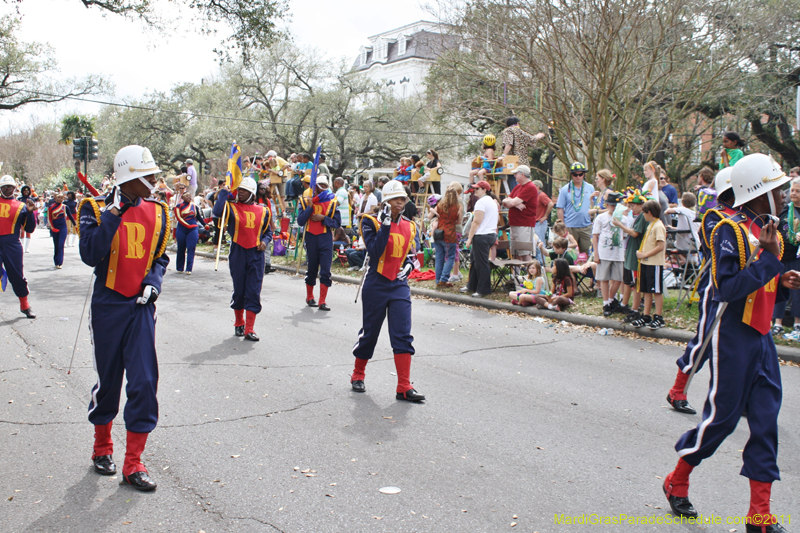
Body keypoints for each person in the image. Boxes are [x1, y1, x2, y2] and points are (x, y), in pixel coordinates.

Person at [663, 154, 798, 531]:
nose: (786, 195)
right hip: (733, 336)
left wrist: (783, 281)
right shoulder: (728, 227)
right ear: (758, 193)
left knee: (766, 422)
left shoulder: (770, 228)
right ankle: (677, 479)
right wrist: (770, 262)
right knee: (721, 420)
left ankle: (760, 515)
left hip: (763, 338)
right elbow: (729, 289)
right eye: (778, 189)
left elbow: (767, 288)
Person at [78, 145, 171, 491]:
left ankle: (134, 463)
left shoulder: (160, 212)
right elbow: (90, 253)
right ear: (129, 178)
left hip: (141, 306)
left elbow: (160, 258)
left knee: (145, 381)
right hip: (108, 304)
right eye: (147, 177)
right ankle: (102, 447)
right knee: (109, 380)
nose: (154, 181)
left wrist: (153, 284)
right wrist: (114, 212)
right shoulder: (95, 208)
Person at [664, 167, 737, 415]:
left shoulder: (747, 216)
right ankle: (677, 390)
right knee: (705, 341)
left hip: (743, 289)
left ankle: (744, 395)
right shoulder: (714, 216)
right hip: (715, 286)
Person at [350, 180, 424, 402]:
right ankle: (358, 374)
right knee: (370, 333)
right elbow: (374, 250)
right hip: (376, 283)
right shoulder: (369, 222)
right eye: (395, 199)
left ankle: (404, 386)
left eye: (402, 199)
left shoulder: (411, 226)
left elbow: (416, 254)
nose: (400, 203)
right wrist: (384, 225)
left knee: (402, 334)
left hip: (399, 284)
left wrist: (411, 265)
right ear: (386, 202)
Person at [213, 177, 272, 341]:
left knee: (253, 290)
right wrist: (224, 193)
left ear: (252, 193)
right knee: (239, 290)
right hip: (238, 252)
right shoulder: (231, 207)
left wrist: (265, 242)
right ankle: (239, 322)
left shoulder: (264, 210)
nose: (240, 192)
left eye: (244, 190)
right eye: (239, 189)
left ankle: (249, 329)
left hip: (256, 254)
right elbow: (217, 213)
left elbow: (268, 232)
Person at [297, 175, 340, 311]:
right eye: (319, 186)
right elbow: (300, 221)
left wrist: (324, 218)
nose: (322, 189)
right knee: (312, 269)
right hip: (311, 238)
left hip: (325, 239)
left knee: (326, 270)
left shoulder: (332, 202)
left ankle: (322, 300)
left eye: (324, 186)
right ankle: (310, 297)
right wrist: (309, 208)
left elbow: (337, 223)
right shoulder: (305, 201)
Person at [0, 175, 37, 318]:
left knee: (17, 276)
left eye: (10, 187)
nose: (7, 189)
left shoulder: (22, 206)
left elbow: (30, 229)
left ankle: (25, 305)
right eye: (4, 187)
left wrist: (30, 213)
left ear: (15, 189)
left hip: (12, 243)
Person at [613, 189, 648, 322]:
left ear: (640, 205)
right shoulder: (638, 217)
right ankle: (624, 304)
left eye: (633, 205)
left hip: (636, 255)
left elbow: (635, 233)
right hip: (631, 253)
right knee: (628, 280)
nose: (631, 208)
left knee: (635, 283)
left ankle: (634, 309)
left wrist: (620, 225)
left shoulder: (642, 217)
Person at [460, 181, 499, 298]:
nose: (475, 191)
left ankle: (483, 289)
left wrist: (469, 238)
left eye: (478, 189)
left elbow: (476, 221)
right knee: (475, 260)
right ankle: (472, 285)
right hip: (490, 234)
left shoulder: (481, 202)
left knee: (481, 263)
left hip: (482, 235)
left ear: (484, 190)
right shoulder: (492, 202)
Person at [774, 176, 800, 340]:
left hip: (798, 257)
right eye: (793, 190)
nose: (794, 193)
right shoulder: (785, 209)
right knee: (779, 287)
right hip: (783, 255)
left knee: (796, 289)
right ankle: (778, 323)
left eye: (798, 191)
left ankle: (797, 323)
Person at [592, 191, 625, 316]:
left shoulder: (623, 219)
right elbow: (595, 236)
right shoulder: (601, 218)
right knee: (604, 278)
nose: (614, 208)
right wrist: (596, 253)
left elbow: (625, 235)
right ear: (607, 205)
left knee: (618, 278)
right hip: (604, 252)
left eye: (616, 206)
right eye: (612, 205)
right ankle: (606, 303)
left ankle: (611, 299)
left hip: (618, 253)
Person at [502, 164, 539, 262]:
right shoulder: (518, 187)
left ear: (522, 174)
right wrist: (515, 203)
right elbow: (505, 201)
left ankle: (531, 275)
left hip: (524, 225)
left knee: (525, 253)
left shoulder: (530, 187)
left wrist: (513, 202)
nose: (514, 175)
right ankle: (516, 276)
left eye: (516, 173)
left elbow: (511, 202)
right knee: (515, 253)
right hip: (515, 224)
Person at [556, 163, 595, 253]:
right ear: (571, 175)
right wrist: (562, 226)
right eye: (575, 175)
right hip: (569, 227)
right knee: (569, 253)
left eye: (580, 174)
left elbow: (594, 205)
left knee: (587, 253)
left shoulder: (590, 188)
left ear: (584, 174)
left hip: (586, 227)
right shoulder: (565, 189)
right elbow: (560, 208)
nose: (578, 177)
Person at [501, 117, 546, 191]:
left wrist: (504, 156)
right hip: (524, 165)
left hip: (513, 164)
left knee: (514, 185)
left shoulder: (508, 130)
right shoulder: (521, 132)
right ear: (518, 123)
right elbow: (532, 139)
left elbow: (509, 144)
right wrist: (539, 136)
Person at [431, 183, 462, 287]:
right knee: (450, 258)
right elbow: (458, 222)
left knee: (439, 258)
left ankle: (438, 280)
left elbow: (429, 215)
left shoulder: (439, 205)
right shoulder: (458, 207)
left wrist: (435, 214)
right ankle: (444, 280)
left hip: (438, 233)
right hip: (450, 234)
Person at [47, 192, 76, 269]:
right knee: (56, 245)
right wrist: (52, 228)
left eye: (61, 198)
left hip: (63, 227)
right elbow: (49, 219)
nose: (60, 199)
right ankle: (56, 261)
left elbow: (70, 216)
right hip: (55, 228)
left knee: (60, 245)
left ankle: (60, 262)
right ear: (55, 198)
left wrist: (76, 225)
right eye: (58, 197)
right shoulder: (51, 207)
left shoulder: (65, 207)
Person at [174, 189, 199, 274]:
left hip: (193, 229)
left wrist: (205, 225)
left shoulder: (194, 206)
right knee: (181, 248)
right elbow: (178, 218)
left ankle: (189, 268)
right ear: (183, 197)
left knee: (191, 248)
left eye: (190, 196)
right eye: (186, 196)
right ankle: (180, 267)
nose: (189, 197)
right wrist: (187, 225)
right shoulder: (178, 206)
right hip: (182, 229)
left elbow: (199, 217)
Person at [18, 185, 34, 253]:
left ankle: (27, 248)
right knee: (21, 231)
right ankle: (21, 246)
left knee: (28, 232)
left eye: (27, 191)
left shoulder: (31, 199)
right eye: (25, 191)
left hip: (29, 216)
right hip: (21, 216)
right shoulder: (19, 199)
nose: (26, 192)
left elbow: (33, 208)